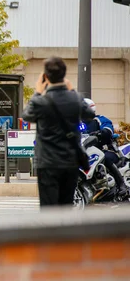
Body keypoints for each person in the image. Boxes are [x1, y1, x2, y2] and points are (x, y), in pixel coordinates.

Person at [22, 57, 94, 208]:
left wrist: (37, 92)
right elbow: (89, 114)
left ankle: (51, 232)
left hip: (47, 162)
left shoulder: (41, 101)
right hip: (70, 161)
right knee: (66, 206)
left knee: (49, 208)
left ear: (45, 77)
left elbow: (27, 115)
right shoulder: (75, 98)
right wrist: (72, 90)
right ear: (64, 75)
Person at [82, 98, 129, 198]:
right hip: (86, 152)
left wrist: (102, 132)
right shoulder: (79, 124)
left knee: (105, 157)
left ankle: (121, 185)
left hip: (105, 150)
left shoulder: (100, 119)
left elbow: (108, 129)